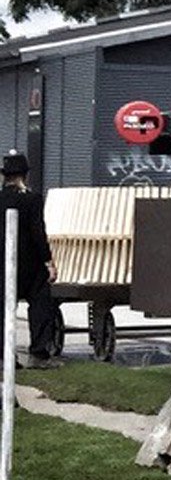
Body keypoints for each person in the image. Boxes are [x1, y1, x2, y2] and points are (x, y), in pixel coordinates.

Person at [2, 149, 64, 365]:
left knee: (4, 308)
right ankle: (38, 353)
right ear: (24, 175)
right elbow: (38, 233)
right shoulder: (31, 199)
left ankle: (5, 357)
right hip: (30, 265)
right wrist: (49, 263)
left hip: (3, 263)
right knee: (40, 305)